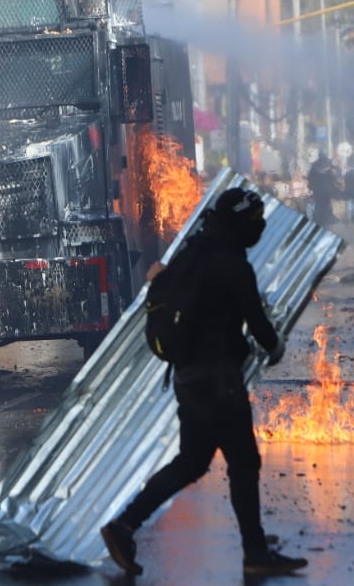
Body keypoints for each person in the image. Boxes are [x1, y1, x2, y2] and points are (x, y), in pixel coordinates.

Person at [99, 187, 307, 578]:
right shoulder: (231, 262)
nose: (259, 228)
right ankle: (256, 552)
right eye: (256, 221)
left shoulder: (193, 251)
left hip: (188, 377)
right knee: (244, 462)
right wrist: (274, 347)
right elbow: (257, 320)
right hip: (219, 381)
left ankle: (124, 525)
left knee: (192, 461)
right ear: (242, 223)